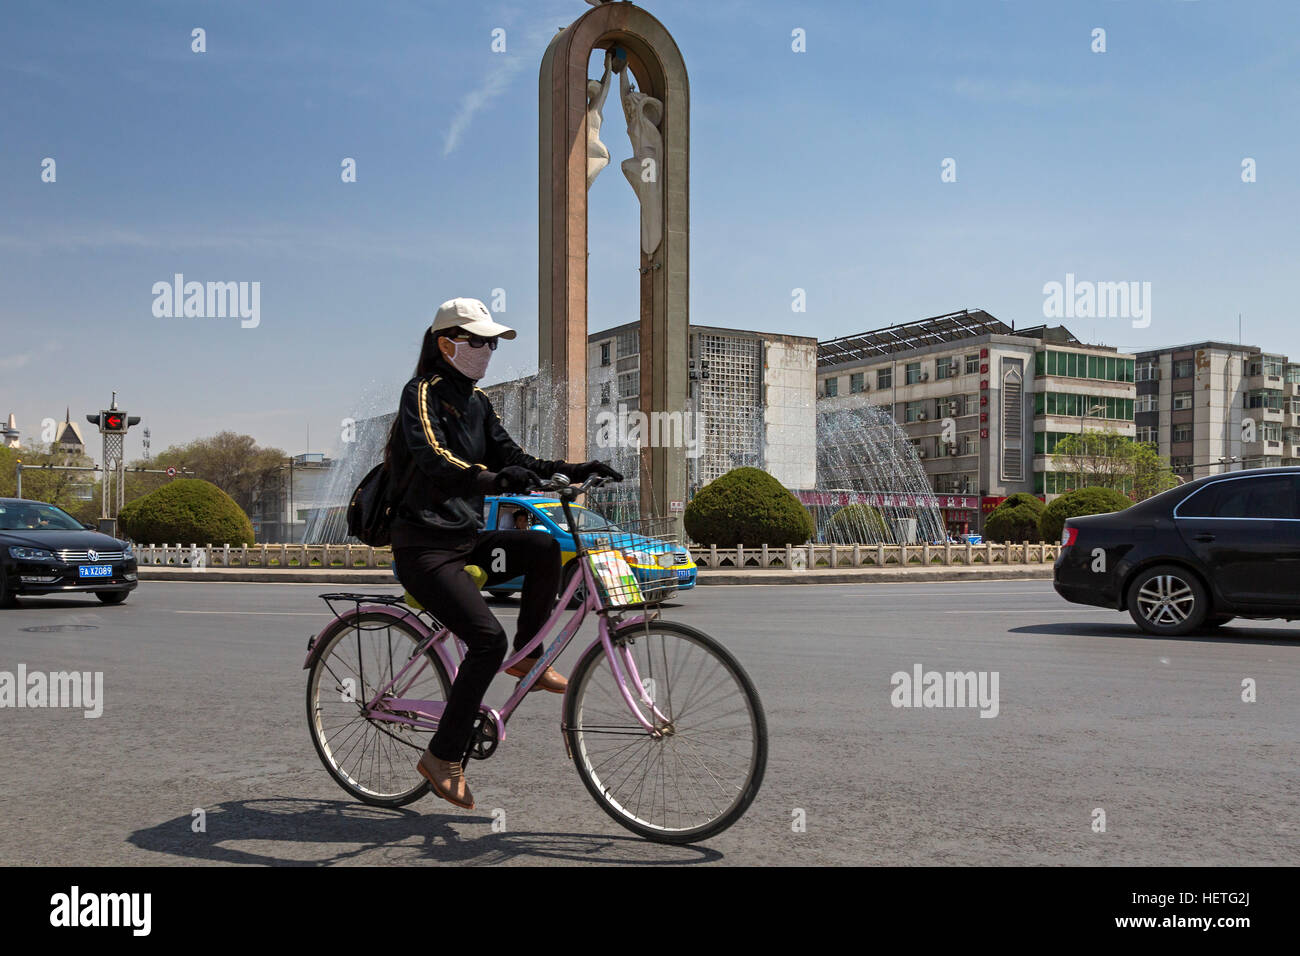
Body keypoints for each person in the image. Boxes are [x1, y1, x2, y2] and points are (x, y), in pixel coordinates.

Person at [385, 297, 622, 811]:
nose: (488, 350)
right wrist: (490, 479)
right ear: (446, 343)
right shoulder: (421, 394)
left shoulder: (477, 403)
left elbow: (516, 458)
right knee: (485, 641)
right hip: (423, 546)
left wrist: (576, 469)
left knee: (542, 546)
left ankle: (529, 656)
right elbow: (434, 459)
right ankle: (442, 756)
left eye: (492, 342)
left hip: (465, 538)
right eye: (478, 341)